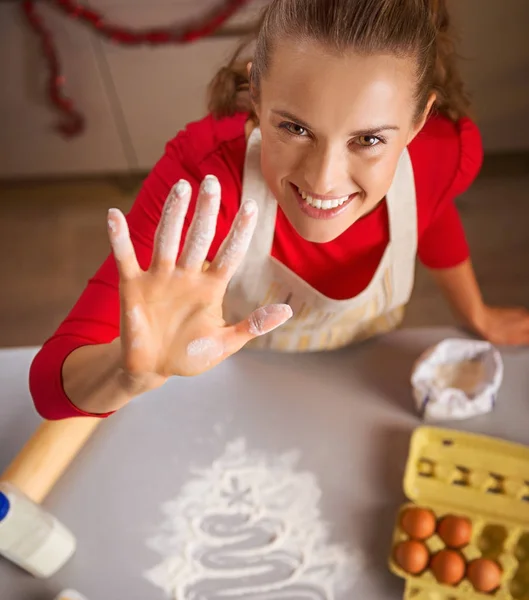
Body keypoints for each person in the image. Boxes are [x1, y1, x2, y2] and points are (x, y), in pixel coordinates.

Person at [30, 0, 529, 421]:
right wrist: (127, 370)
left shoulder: (447, 152)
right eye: (294, 128)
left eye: (370, 139)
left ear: (418, 122)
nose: (322, 180)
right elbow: (51, 387)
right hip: (242, 385)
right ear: (258, 95)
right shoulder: (206, 180)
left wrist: (476, 313)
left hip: (359, 383)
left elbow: (432, 215)